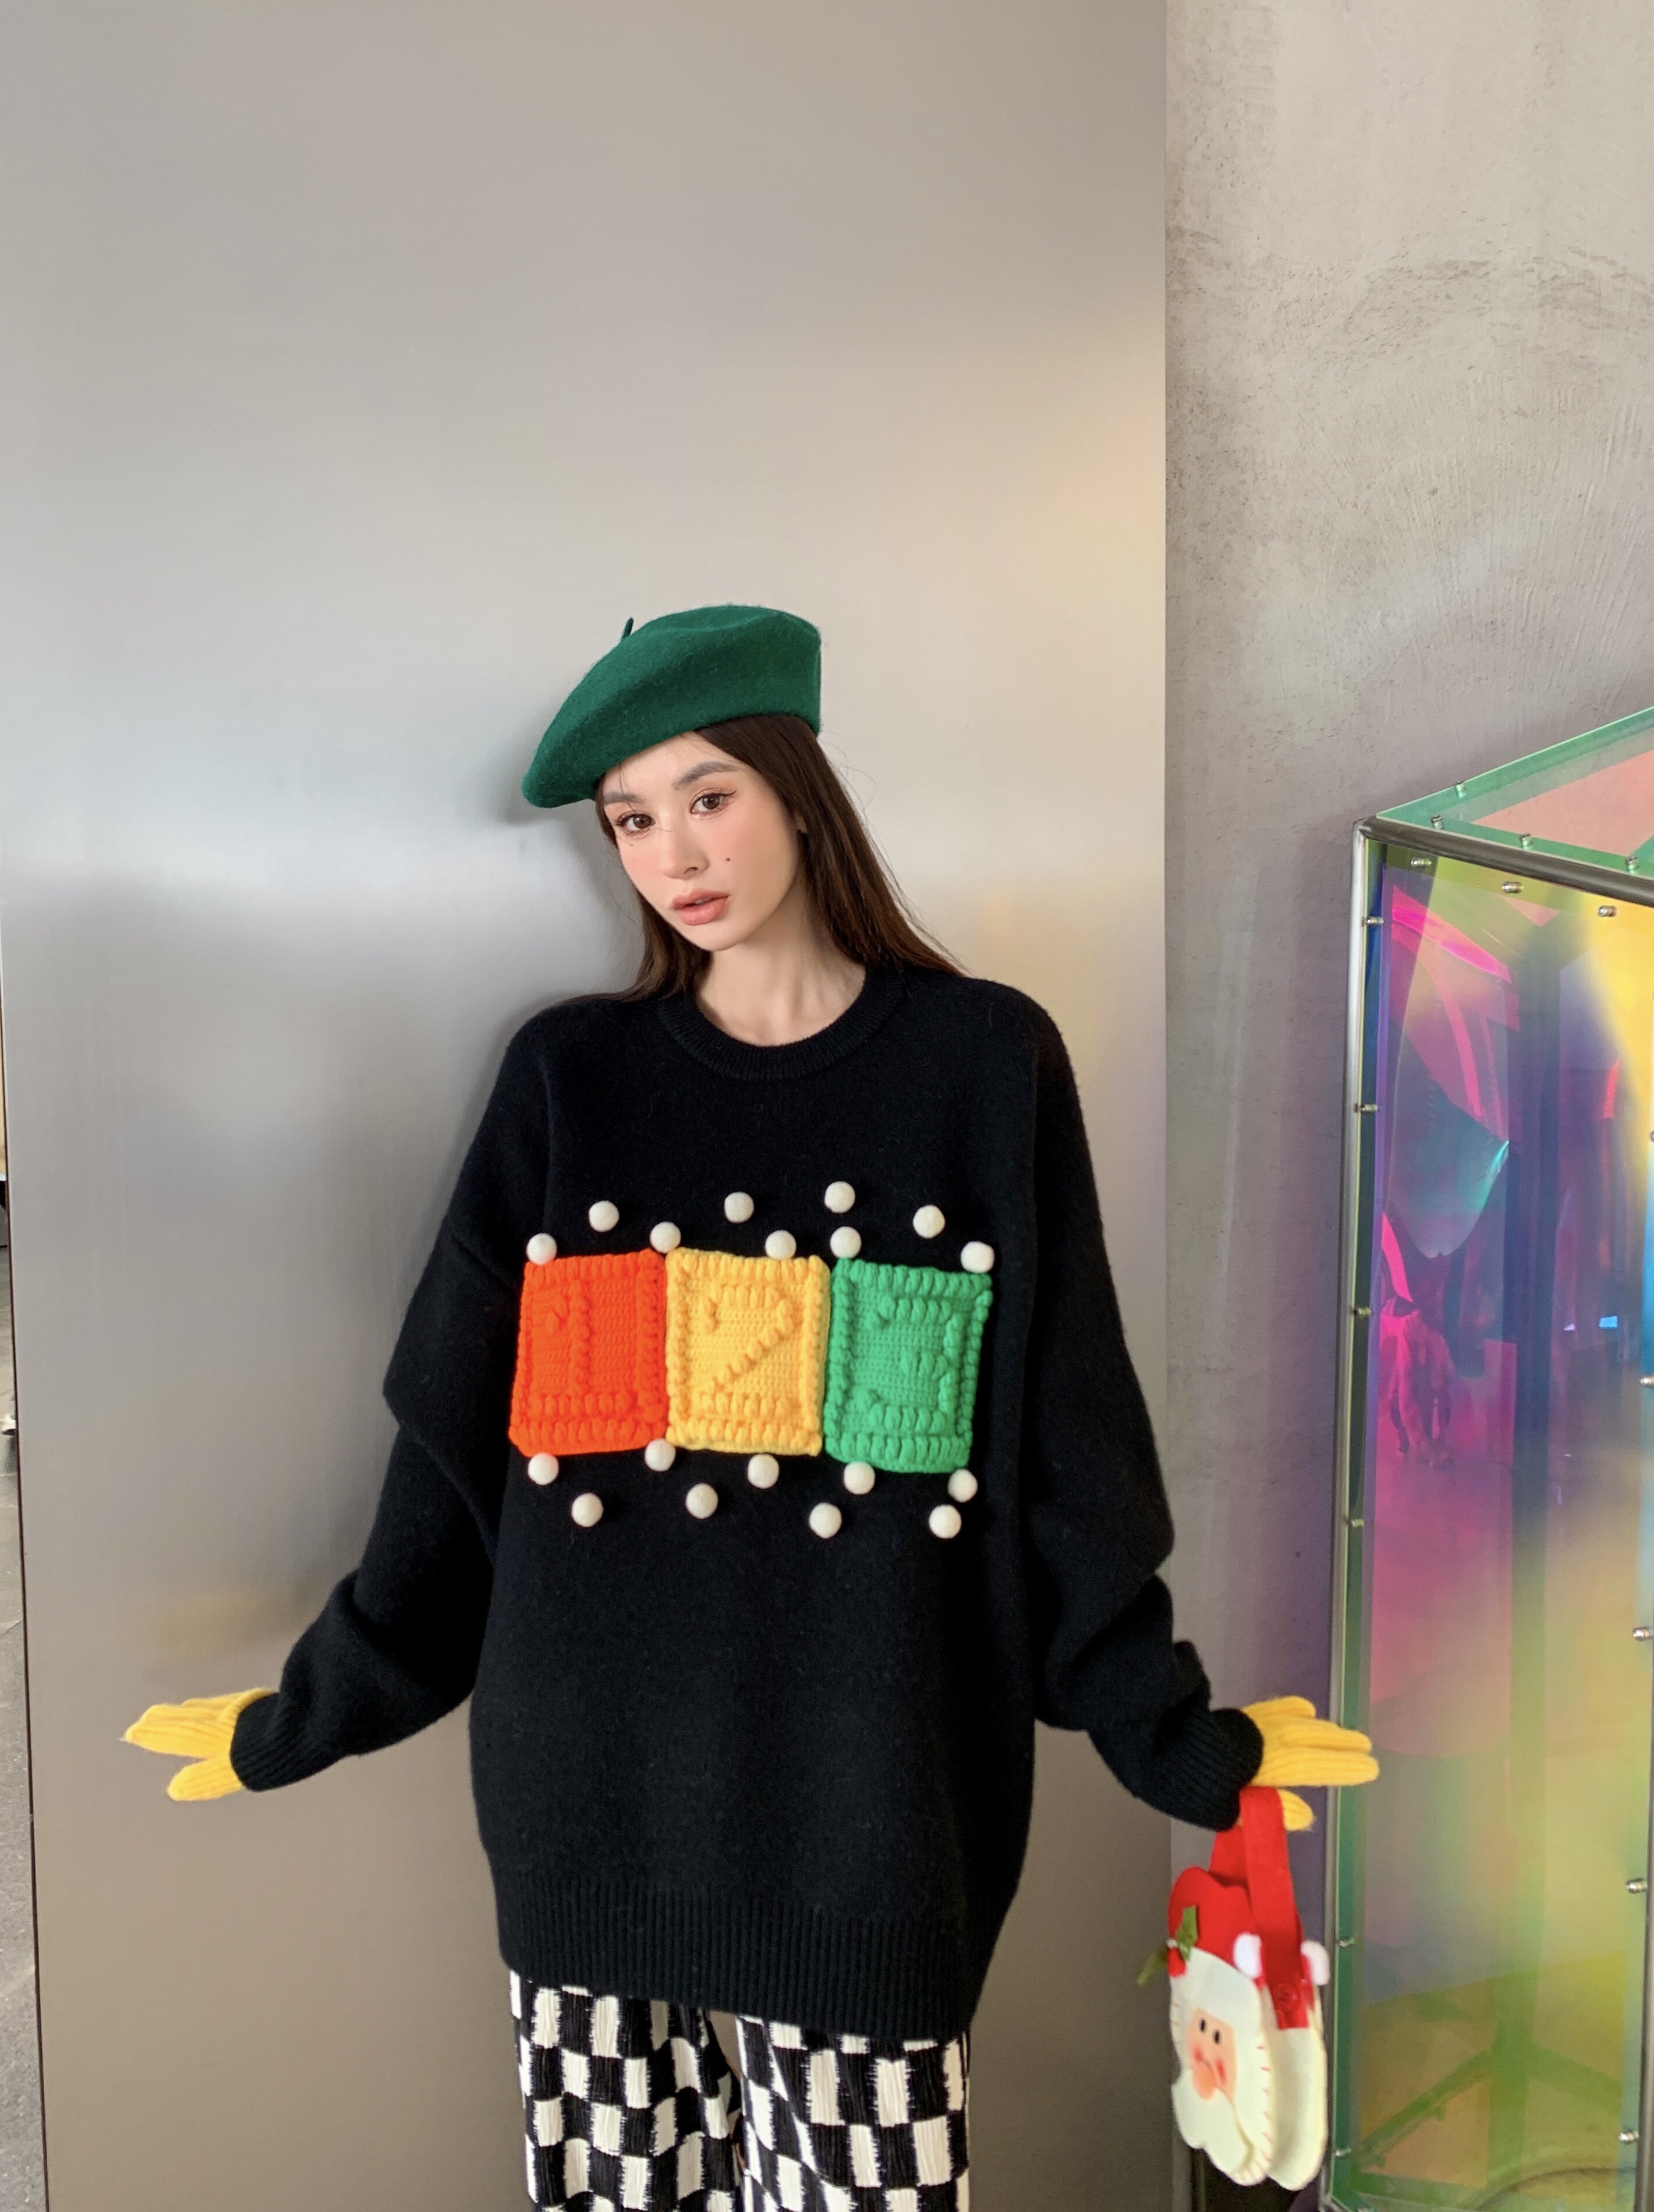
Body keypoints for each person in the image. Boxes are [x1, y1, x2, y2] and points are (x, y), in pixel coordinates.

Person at [127, 605, 1376, 2212]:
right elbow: (456, 1456)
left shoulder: (983, 1065)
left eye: (707, 796)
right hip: (592, 1802)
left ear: (799, 789)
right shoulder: (570, 1080)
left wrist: (1170, 1733)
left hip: (873, 1808)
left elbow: (1070, 1443)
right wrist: (312, 1711)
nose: (673, 855)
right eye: (630, 820)